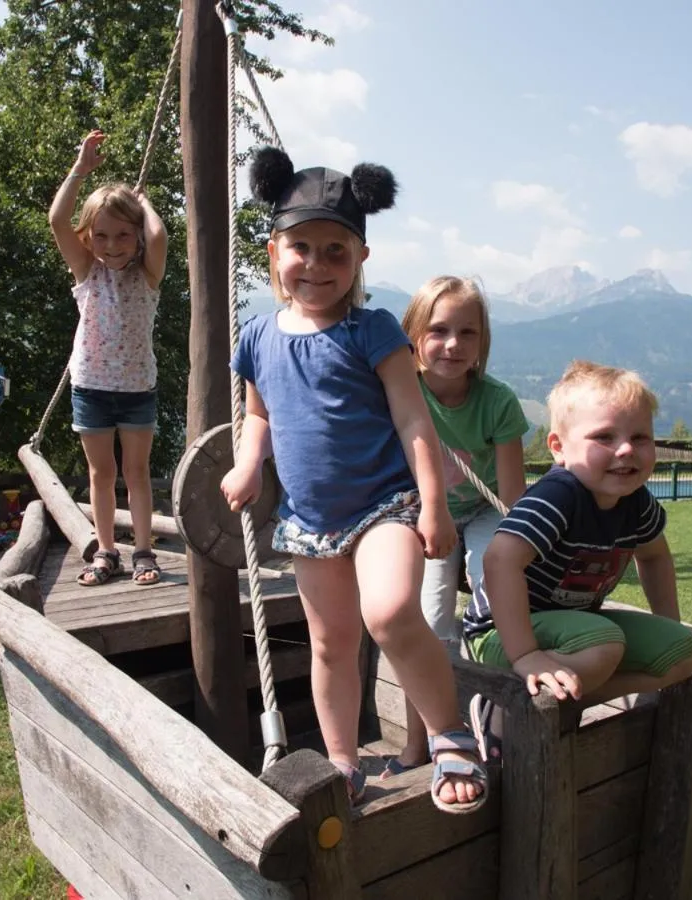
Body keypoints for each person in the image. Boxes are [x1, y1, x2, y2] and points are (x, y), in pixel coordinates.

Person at [220, 146, 488, 813]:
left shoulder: (372, 333)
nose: (316, 265)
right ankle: (342, 761)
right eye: (301, 248)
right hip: (310, 522)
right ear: (272, 251)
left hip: (384, 505)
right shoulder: (256, 337)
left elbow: (414, 421)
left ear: (361, 258)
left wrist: (434, 506)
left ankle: (452, 736)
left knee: (391, 612)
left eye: (336, 252)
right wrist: (250, 462)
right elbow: (260, 413)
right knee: (330, 644)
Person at [467, 360, 692, 747]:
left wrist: (672, 624)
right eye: (604, 437)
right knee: (603, 644)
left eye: (640, 437)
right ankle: (500, 708)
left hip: (576, 632)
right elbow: (499, 560)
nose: (625, 450)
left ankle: (565, 705)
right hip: (500, 633)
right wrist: (526, 656)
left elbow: (653, 556)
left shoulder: (636, 503)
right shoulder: (559, 496)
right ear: (559, 448)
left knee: (682, 654)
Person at [382, 276, 529, 777]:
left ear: (482, 342)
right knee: (428, 614)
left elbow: (510, 496)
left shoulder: (497, 402)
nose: (453, 344)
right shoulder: (403, 393)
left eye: (468, 333)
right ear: (414, 335)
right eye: (439, 330)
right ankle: (418, 741)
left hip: (484, 508)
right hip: (425, 508)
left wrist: (523, 554)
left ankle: (499, 722)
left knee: (497, 588)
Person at [49, 129, 168, 587]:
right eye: (101, 235)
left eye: (123, 235)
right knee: (102, 474)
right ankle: (105, 552)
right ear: (89, 237)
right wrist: (80, 169)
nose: (112, 245)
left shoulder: (147, 275)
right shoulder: (86, 270)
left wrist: (144, 202)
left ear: (136, 236)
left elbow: (158, 237)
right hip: (91, 388)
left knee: (136, 473)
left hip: (137, 389)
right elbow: (59, 220)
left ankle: (143, 551)